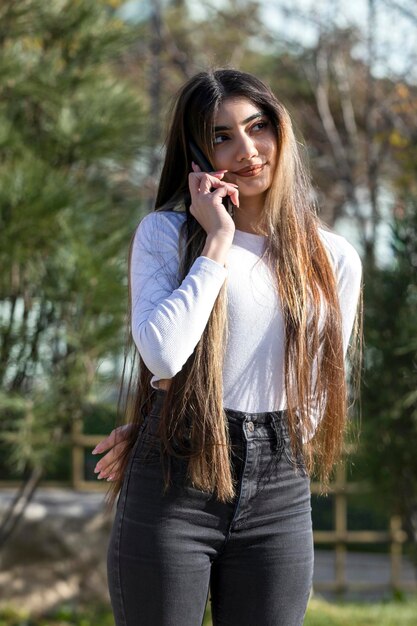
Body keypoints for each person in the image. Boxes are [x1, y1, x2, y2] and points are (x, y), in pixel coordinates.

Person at [91, 68, 363, 626]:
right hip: (175, 485)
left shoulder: (332, 257)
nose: (247, 150)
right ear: (195, 152)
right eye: (221, 136)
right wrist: (216, 238)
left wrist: (253, 440)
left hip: (280, 489)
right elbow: (163, 356)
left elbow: (315, 395)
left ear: (280, 130)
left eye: (257, 126)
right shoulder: (167, 236)